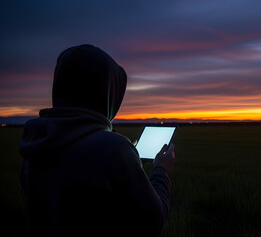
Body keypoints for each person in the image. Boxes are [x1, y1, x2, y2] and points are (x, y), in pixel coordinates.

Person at [19, 44, 175, 237]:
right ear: (106, 93)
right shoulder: (114, 149)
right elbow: (154, 222)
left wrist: (130, 161)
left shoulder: (35, 143)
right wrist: (160, 169)